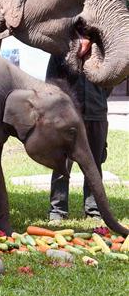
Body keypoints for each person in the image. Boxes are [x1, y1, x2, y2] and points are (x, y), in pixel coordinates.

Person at [46, 54, 110, 223]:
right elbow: (51, 83)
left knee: (94, 164)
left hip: (96, 114)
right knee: (62, 164)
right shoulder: (60, 51)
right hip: (69, 117)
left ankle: (94, 209)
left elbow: (110, 81)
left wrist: (100, 98)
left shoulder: (102, 53)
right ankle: (57, 210)